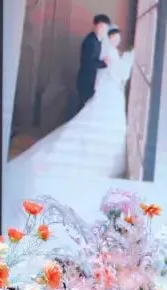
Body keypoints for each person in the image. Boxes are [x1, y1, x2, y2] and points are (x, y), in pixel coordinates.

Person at [17, 26, 133, 179]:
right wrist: (129, 57)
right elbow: (119, 74)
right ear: (109, 37)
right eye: (114, 36)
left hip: (111, 92)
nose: (117, 39)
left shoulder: (112, 51)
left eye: (118, 36)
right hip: (109, 93)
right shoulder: (109, 52)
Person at [75, 13, 111, 112]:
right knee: (84, 109)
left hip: (90, 80)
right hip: (86, 80)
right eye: (101, 26)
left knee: (86, 108)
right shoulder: (90, 41)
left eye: (105, 27)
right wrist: (104, 63)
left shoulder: (97, 40)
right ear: (95, 25)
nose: (103, 30)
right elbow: (89, 62)